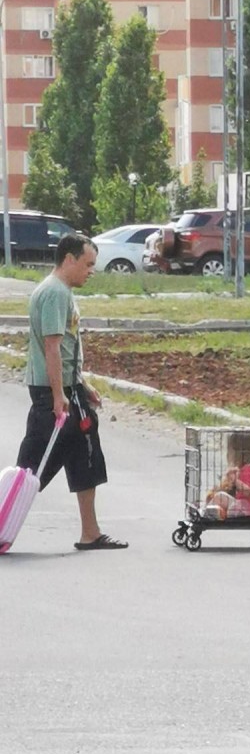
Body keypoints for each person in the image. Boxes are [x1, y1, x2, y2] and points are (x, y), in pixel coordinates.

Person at [16, 233, 128, 551]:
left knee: (85, 455)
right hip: (52, 392)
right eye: (88, 264)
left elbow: (64, 350)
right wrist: (58, 395)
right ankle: (4, 518)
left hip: (68, 388)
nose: (91, 270)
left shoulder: (61, 291)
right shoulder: (54, 293)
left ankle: (90, 533)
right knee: (29, 469)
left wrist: (81, 384)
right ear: (69, 259)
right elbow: (51, 347)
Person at [205, 431, 250, 520]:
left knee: (224, 500)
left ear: (237, 453)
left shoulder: (248, 470)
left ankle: (209, 514)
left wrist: (235, 481)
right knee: (221, 497)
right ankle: (212, 511)